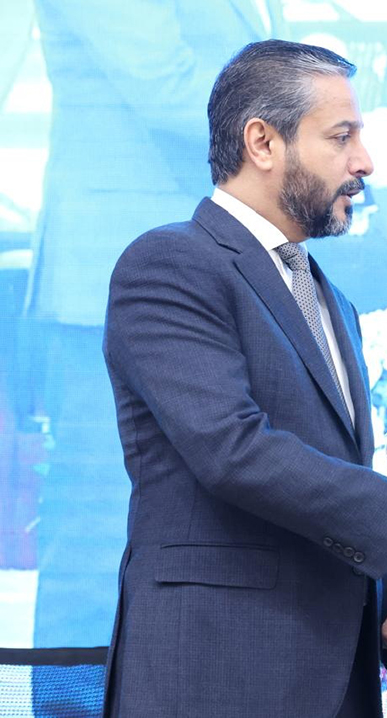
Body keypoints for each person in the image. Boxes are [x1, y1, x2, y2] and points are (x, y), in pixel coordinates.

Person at [102, 40, 387, 718]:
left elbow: (331, 474)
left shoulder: (332, 302)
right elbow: (235, 451)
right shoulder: (170, 264)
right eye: (341, 137)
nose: (365, 162)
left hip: (332, 684)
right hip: (211, 683)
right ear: (262, 142)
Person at [24, 0, 285, 649]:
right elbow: (162, 82)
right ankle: (72, 695)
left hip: (199, 268)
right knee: (99, 523)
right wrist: (307, 129)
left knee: (192, 525)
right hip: (111, 276)